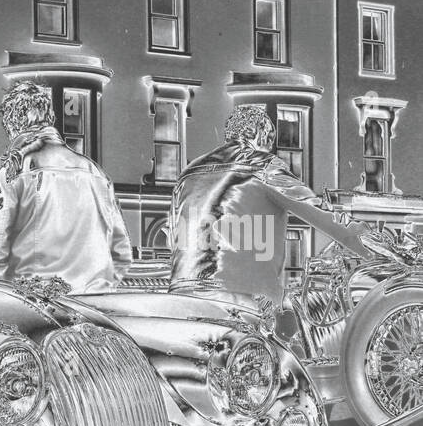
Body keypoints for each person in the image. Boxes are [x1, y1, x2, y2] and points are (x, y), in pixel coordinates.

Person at [169, 104, 395, 303]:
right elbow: (319, 211)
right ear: (255, 134)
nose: (269, 148)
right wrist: (377, 245)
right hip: (240, 296)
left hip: (181, 294)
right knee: (300, 330)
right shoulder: (260, 164)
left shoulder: (188, 174)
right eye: (268, 141)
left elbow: (173, 235)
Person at [0, 80, 132, 292]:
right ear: (50, 118)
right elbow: (122, 253)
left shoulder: (10, 168)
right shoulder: (97, 173)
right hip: (95, 305)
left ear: (11, 125)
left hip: (35, 304)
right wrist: (97, 285)